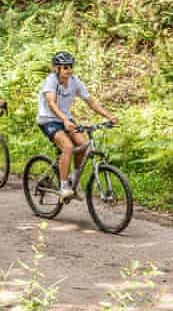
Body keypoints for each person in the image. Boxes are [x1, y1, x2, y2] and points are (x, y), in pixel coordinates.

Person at [37, 52, 118, 200]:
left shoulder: (75, 82)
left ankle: (74, 179)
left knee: (84, 144)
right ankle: (63, 186)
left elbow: (91, 102)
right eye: (65, 67)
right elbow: (52, 104)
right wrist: (65, 121)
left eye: (71, 67)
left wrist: (109, 116)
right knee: (67, 147)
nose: (69, 70)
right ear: (57, 69)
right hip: (48, 119)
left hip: (66, 119)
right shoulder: (51, 81)